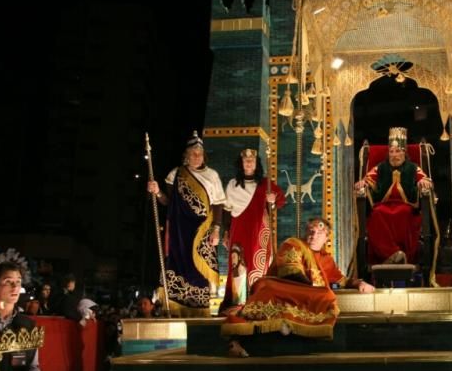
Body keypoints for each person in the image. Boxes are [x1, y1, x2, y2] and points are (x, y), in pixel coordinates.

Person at [222, 218, 374, 340]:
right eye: (311, 231)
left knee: (327, 296)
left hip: (305, 293)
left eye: (319, 233)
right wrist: (312, 289)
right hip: (285, 286)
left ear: (327, 238)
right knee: (268, 287)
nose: (314, 235)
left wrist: (359, 282)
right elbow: (291, 273)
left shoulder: (326, 259)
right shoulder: (293, 243)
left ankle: (295, 325)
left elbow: (342, 280)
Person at [147, 131, 226, 310]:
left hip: (202, 230)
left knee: (200, 272)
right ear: (186, 156)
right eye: (193, 154)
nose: (197, 157)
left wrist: (216, 229)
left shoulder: (212, 175)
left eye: (199, 154)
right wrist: (157, 191)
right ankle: (175, 308)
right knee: (178, 267)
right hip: (180, 231)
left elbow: (218, 204)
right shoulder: (176, 174)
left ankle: (199, 308)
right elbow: (168, 201)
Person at [354, 127, 433, 265]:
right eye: (391, 151)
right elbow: (367, 179)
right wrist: (362, 183)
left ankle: (402, 256)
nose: (394, 155)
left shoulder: (413, 167)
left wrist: (423, 182)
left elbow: (425, 180)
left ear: (404, 152)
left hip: (406, 206)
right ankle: (392, 253)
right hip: (382, 206)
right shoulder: (380, 167)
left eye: (398, 151)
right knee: (376, 214)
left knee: (405, 213)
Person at [221, 148, 285, 308]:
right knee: (238, 264)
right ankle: (238, 303)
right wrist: (226, 233)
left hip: (258, 231)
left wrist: (272, 200)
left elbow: (280, 200)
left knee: (258, 265)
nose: (249, 162)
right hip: (238, 230)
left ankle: (258, 302)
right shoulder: (232, 185)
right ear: (241, 164)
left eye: (252, 160)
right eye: (245, 160)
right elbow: (227, 212)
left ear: (256, 164)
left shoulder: (265, 184)